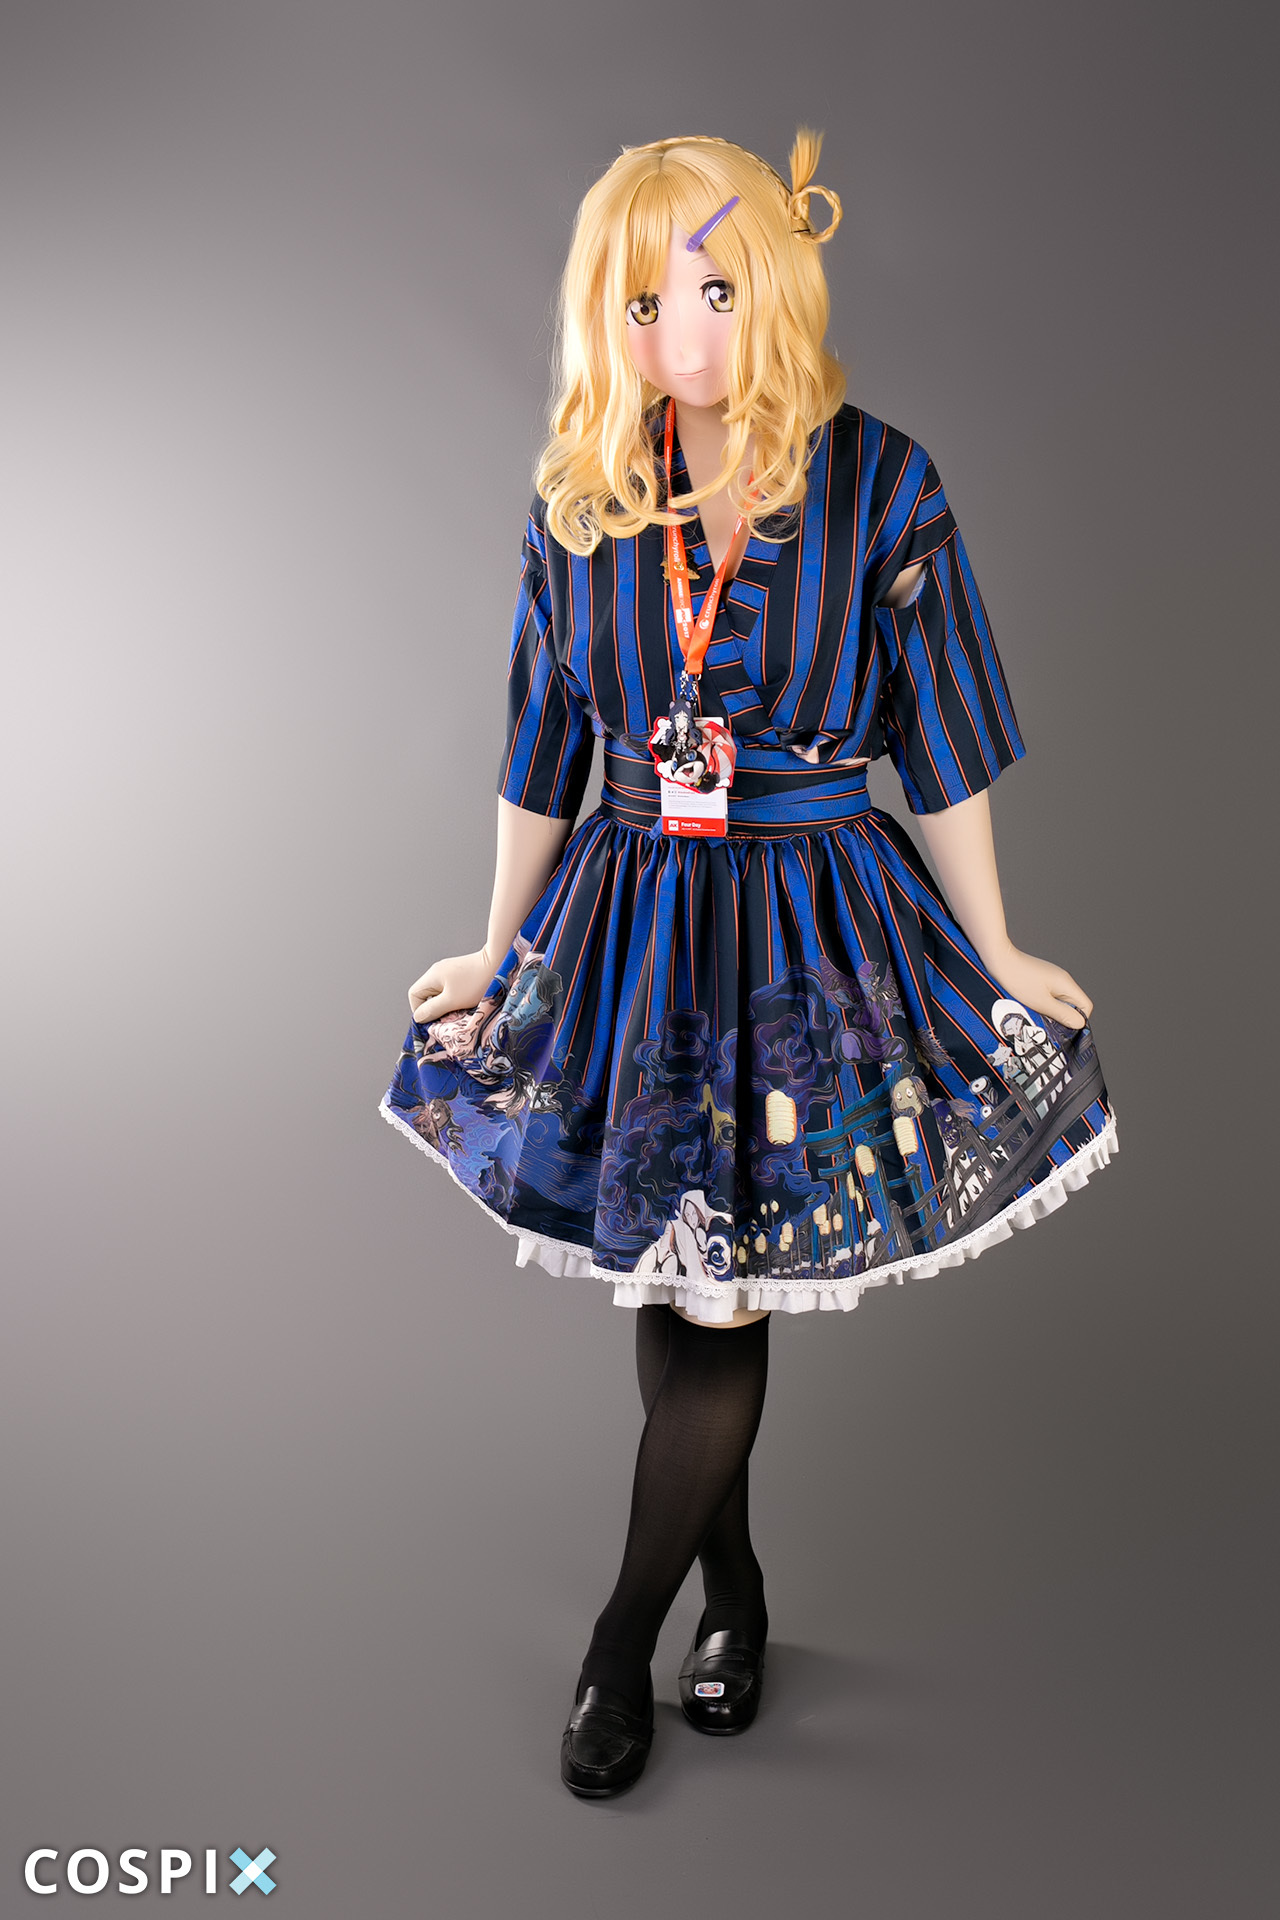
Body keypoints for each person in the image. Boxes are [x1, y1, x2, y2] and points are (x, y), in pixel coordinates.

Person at [381, 130, 1117, 1798]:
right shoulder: (587, 491)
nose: (683, 332)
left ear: (776, 282)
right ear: (607, 316)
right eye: (645, 302)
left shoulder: (884, 482)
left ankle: (615, 1648)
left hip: (801, 923)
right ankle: (739, 1600)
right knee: (674, 1272)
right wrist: (494, 948)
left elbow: (942, 735)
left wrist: (995, 945)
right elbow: (540, 750)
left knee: (720, 1287)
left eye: (715, 289)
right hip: (636, 916)